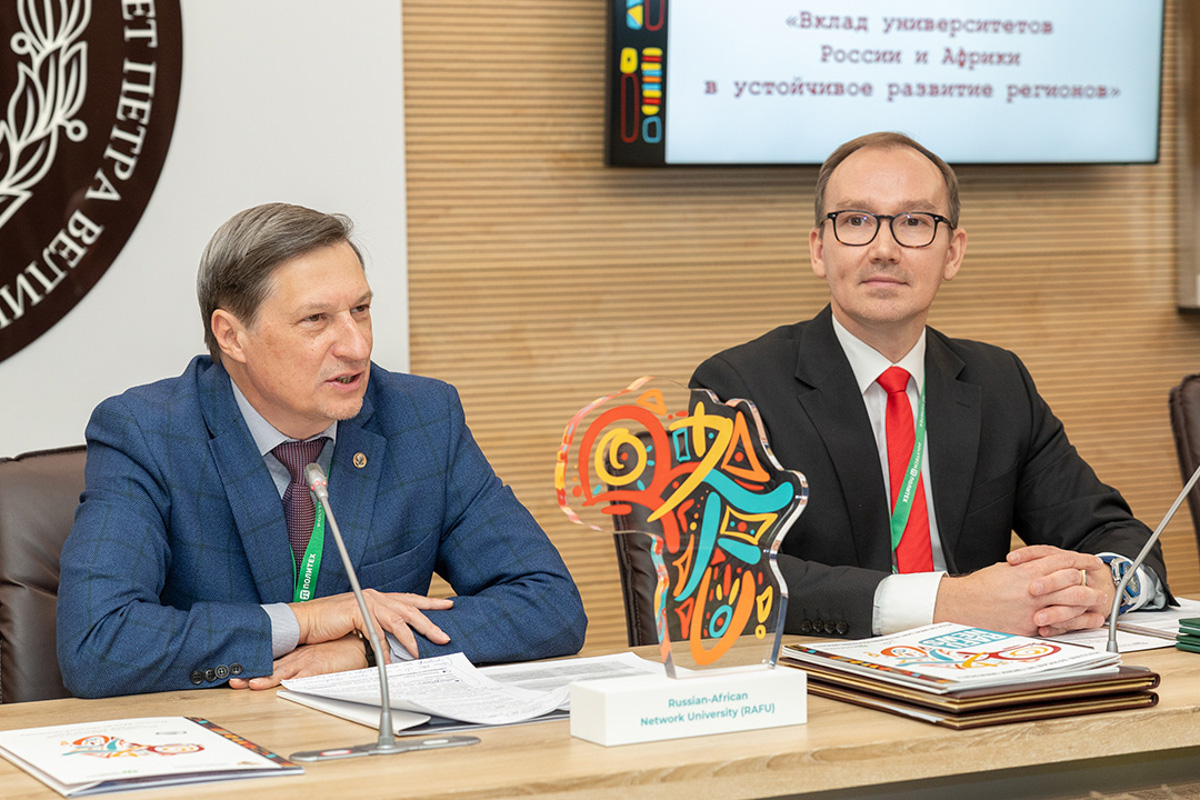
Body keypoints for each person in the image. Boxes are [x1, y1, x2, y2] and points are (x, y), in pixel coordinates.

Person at [57, 203, 587, 698]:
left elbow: (550, 605)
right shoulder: (149, 432)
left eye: (360, 309)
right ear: (231, 336)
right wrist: (306, 621)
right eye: (316, 320)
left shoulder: (422, 418)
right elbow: (97, 643)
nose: (356, 346)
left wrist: (368, 646)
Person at [690, 132, 1171, 640]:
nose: (883, 249)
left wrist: (1103, 581)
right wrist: (946, 601)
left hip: (985, 681)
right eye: (856, 221)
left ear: (952, 253)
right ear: (818, 249)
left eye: (914, 223)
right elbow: (727, 575)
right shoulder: (738, 387)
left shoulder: (998, 381)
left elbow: (1117, 537)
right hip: (829, 689)